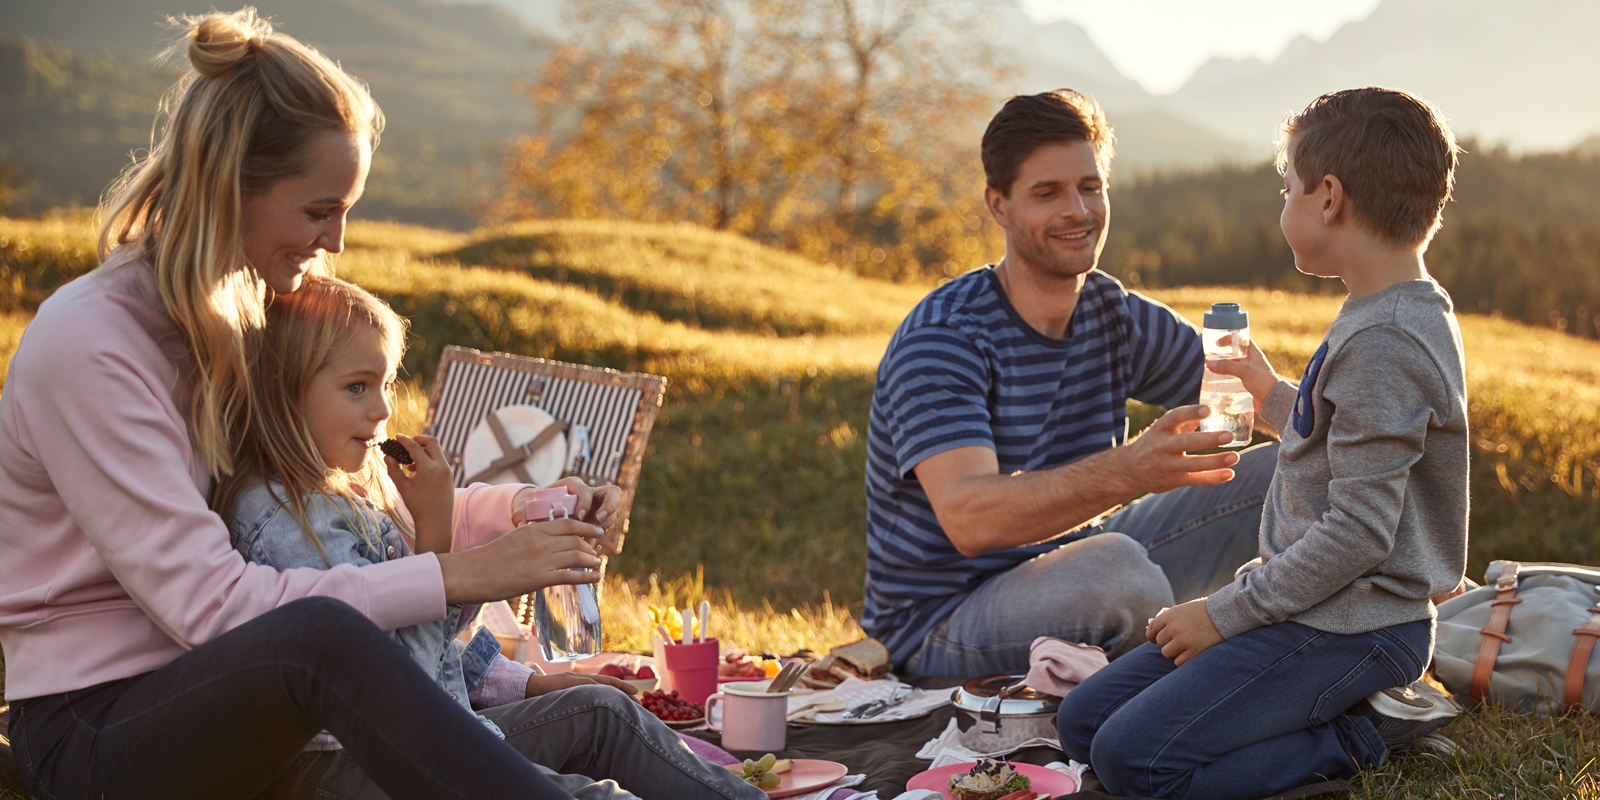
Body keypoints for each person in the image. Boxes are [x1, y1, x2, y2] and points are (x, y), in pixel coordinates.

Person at [0, 9, 749, 799]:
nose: (337, 241)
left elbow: (351, 509)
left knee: (590, 713)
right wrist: (456, 575)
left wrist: (524, 512)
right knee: (323, 637)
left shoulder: (239, 316)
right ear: (229, 187)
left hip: (259, 705)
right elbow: (214, 608)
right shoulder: (93, 344)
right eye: (319, 210)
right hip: (101, 730)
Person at [1056, 87, 1469, 800]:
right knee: (1084, 721)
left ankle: (1363, 733)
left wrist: (1220, 615)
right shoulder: (1382, 309)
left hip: (1356, 627)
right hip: (1309, 607)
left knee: (1132, 761)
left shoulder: (1387, 339)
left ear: (1329, 198)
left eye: (1288, 188)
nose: (1284, 204)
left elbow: (1359, 534)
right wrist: (1272, 391)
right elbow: (1343, 438)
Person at [214, 275, 760, 799]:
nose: (382, 410)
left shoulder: (343, 493)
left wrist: (525, 684)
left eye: (386, 384)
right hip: (359, 766)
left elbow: (431, 647)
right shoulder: (288, 521)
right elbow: (401, 685)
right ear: (283, 394)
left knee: (601, 711)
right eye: (357, 387)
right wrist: (434, 533)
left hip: (435, 737)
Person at [863, 89, 1279, 676]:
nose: (1078, 211)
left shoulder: (1113, 313)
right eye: (1047, 192)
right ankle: (1192, 690)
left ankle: (1361, 656)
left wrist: (1357, 427)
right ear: (998, 205)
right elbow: (971, 519)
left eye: (1089, 186)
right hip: (942, 623)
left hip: (1072, 562)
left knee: (1290, 472)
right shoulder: (945, 336)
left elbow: (1262, 398)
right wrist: (1131, 470)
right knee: (1120, 576)